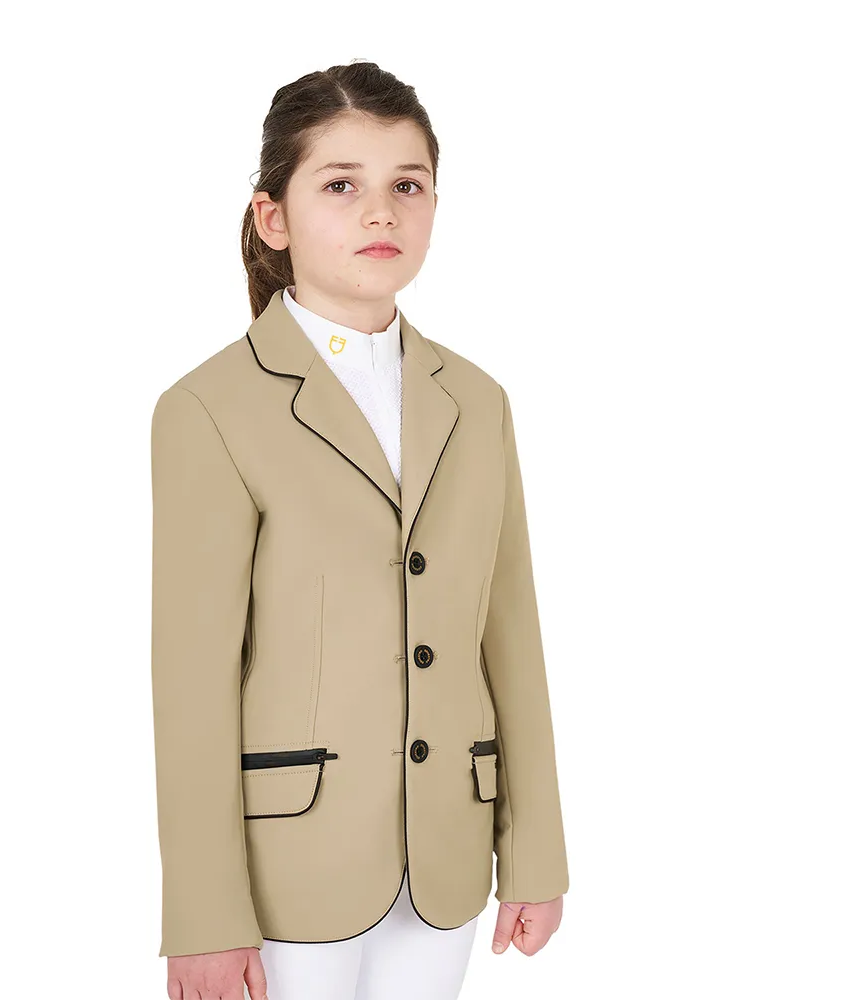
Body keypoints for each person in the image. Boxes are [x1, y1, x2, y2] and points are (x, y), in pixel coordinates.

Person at [150, 60, 569, 1000]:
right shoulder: (208, 409)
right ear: (273, 218)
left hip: (447, 857)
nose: (381, 211)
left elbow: (511, 636)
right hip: (286, 867)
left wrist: (535, 851)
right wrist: (205, 915)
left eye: (406, 186)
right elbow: (192, 682)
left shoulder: (479, 402)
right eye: (341, 185)